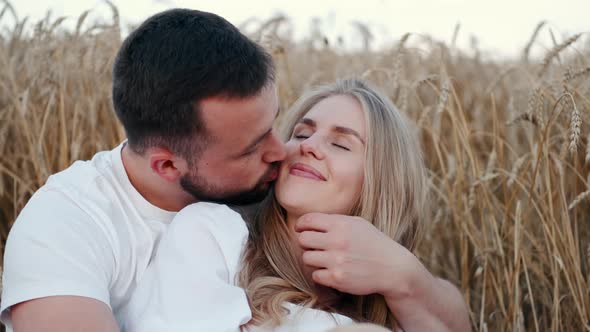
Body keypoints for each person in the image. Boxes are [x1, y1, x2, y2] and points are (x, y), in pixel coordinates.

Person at [0, 8, 469, 332]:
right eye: (300, 132)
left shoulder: (380, 276)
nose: (286, 149)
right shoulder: (72, 222)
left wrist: (407, 277)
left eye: (278, 125)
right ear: (167, 165)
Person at [119, 79, 469, 332]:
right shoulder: (213, 232)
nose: (309, 146)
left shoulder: (397, 298)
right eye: (302, 133)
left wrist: (402, 274)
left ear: (381, 182)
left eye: (341, 145)